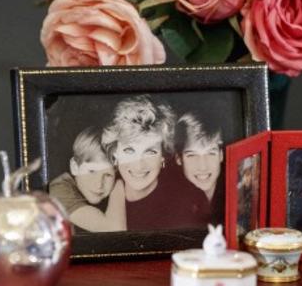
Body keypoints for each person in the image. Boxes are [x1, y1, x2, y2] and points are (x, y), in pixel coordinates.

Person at [101, 95, 195, 231]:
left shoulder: (182, 205)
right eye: (129, 150)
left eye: (150, 152)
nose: (138, 165)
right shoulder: (97, 196)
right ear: (115, 152)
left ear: (163, 155)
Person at [49, 126, 121, 232]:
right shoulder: (59, 190)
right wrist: (119, 186)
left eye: (108, 175)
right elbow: (113, 229)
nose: (99, 184)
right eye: (91, 171)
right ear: (75, 167)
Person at [173, 111, 225, 225]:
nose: (203, 166)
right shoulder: (170, 205)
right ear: (179, 158)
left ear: (221, 155)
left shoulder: (237, 195)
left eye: (211, 153)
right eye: (192, 155)